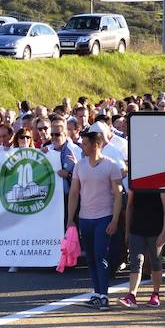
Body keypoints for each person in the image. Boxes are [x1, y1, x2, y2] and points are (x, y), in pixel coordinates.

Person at [65, 131, 124, 310]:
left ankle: (104, 295)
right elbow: (74, 192)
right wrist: (70, 219)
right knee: (90, 257)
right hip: (85, 218)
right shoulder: (79, 166)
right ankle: (97, 293)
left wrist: (115, 220)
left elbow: (119, 195)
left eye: (85, 144)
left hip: (104, 217)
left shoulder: (111, 165)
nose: (82, 147)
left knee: (100, 255)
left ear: (95, 145)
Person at [118, 185, 165, 308]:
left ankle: (155, 294)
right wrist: (127, 230)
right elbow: (129, 207)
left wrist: (164, 232)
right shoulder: (136, 183)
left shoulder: (161, 184)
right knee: (136, 261)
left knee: (155, 262)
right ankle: (131, 295)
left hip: (155, 230)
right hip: (136, 229)